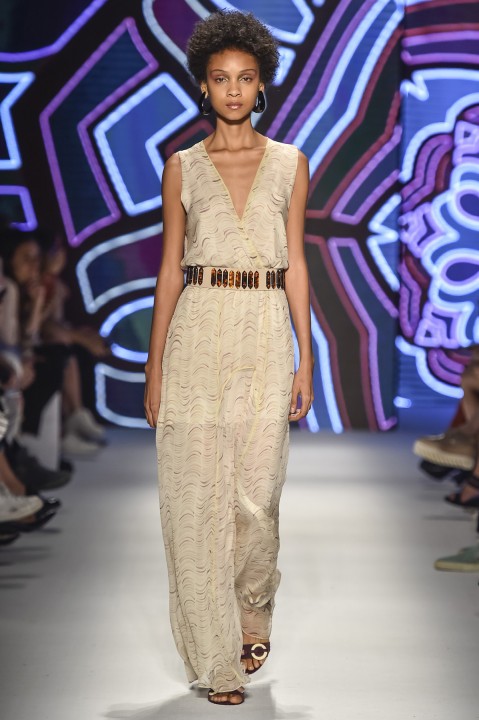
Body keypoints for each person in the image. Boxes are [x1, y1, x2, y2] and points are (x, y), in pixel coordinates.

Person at [144, 10, 313, 707]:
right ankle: (218, 661)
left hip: (265, 333)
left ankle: (253, 605)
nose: (234, 90)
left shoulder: (290, 163)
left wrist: (305, 358)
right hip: (197, 328)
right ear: (203, 86)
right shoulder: (181, 168)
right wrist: (154, 367)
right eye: (221, 79)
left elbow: (296, 263)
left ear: (262, 84)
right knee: (195, 498)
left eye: (245, 78)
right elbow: (168, 270)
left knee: (257, 497)